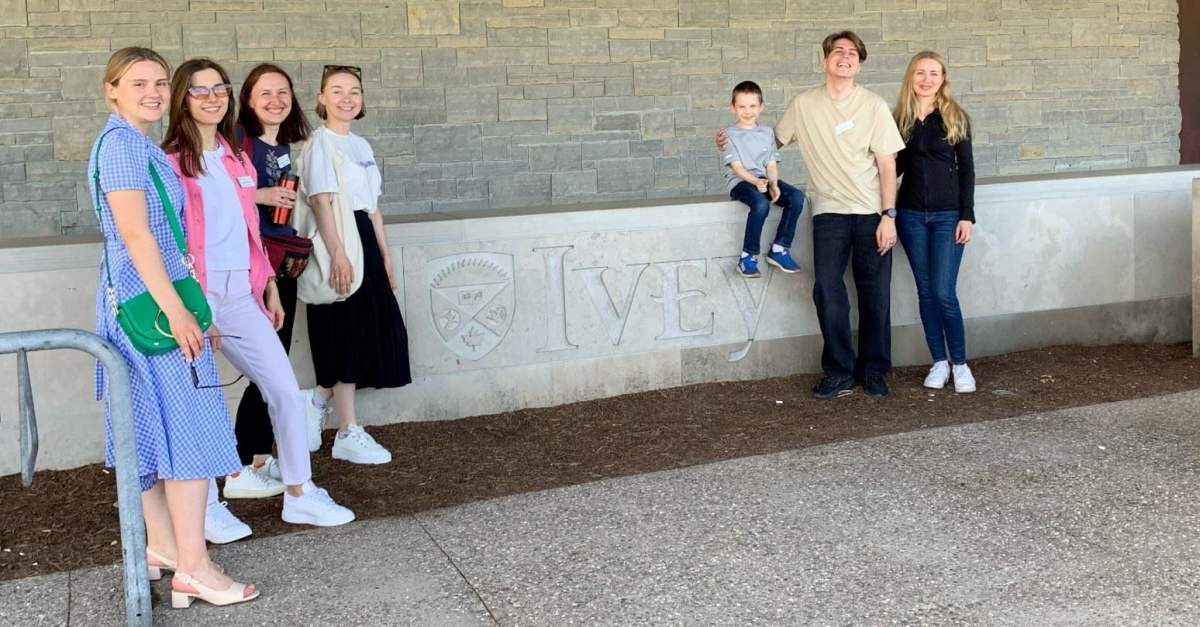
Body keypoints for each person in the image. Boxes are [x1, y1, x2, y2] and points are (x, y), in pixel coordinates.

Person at [89, 47, 257, 608]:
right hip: (154, 306)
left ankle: (163, 546)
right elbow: (136, 234)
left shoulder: (132, 143)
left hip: (143, 302)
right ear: (111, 89)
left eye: (160, 83)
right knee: (188, 428)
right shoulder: (121, 146)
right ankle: (195, 567)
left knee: (152, 427)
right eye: (138, 83)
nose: (153, 93)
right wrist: (179, 310)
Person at [162, 58, 355, 539]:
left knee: (284, 389)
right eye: (199, 90)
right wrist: (189, 306)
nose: (212, 98)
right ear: (182, 98)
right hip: (197, 294)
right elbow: (169, 239)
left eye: (219, 89)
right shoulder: (169, 162)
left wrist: (268, 285)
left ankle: (300, 493)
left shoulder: (236, 157)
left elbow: (250, 231)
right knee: (200, 401)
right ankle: (204, 508)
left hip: (242, 293)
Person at [719, 31, 906, 399]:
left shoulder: (873, 106)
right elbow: (769, 142)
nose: (845, 57)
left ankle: (873, 370)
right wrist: (732, 139)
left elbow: (888, 164)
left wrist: (889, 215)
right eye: (838, 51)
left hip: (871, 213)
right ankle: (839, 372)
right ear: (824, 61)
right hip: (829, 212)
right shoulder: (804, 105)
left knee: (875, 295)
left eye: (853, 53)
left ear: (858, 64)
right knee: (827, 292)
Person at [222, 63, 326, 503]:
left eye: (282, 92)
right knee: (266, 369)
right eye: (264, 93)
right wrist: (261, 195)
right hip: (253, 267)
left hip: (279, 264)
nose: (275, 100)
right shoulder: (237, 141)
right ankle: (240, 465)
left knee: (275, 363)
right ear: (247, 99)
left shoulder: (282, 146)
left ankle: (259, 459)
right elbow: (212, 195)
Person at [298, 64, 411, 464]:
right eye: (337, 90)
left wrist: (385, 257)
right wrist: (338, 253)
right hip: (339, 240)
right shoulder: (319, 144)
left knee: (373, 331)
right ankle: (347, 430)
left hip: (365, 238)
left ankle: (315, 400)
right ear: (321, 98)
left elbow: (373, 209)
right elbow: (320, 202)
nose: (346, 98)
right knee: (345, 331)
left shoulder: (360, 146)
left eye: (354, 91)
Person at [893, 51, 977, 393]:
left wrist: (966, 216)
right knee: (926, 292)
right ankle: (939, 362)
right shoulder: (899, 119)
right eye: (920, 73)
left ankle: (960, 364)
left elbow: (968, 171)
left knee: (944, 292)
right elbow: (893, 168)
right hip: (910, 216)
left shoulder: (955, 117)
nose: (926, 79)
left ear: (943, 79)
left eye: (933, 73)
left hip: (948, 217)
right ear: (910, 77)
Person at [722, 80, 805, 278]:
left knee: (796, 197)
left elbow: (771, 164)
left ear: (761, 107)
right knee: (760, 204)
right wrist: (755, 182)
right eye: (742, 106)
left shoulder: (767, 132)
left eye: (752, 106)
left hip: (763, 180)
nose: (747, 111)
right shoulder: (728, 134)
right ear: (732, 107)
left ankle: (779, 248)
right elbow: (737, 168)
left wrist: (773, 184)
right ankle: (747, 257)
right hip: (741, 182)